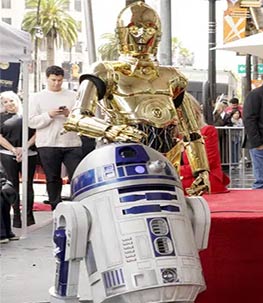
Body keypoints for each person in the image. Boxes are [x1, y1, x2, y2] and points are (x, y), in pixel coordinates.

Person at [63, 1, 211, 196]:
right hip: (124, 154)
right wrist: (112, 130)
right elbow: (76, 118)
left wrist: (201, 170)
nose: (142, 34)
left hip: (168, 159)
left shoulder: (172, 76)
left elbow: (191, 131)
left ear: (157, 33)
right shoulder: (105, 71)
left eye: (149, 28)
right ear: (122, 32)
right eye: (134, 28)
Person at [28, 65, 82, 210]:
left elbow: (82, 117)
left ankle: (79, 205)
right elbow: (31, 121)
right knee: (52, 178)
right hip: (48, 143)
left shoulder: (73, 95)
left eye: (59, 80)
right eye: (53, 80)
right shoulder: (36, 97)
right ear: (47, 79)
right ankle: (55, 207)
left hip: (72, 142)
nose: (56, 83)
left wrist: (68, 114)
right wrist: (49, 115)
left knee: (76, 175)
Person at [0, 91, 38, 227]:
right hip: (8, 154)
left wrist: (25, 147)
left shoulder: (28, 116)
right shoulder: (1, 118)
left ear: (17, 100)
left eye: (11, 100)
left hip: (29, 154)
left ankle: (28, 216)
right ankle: (16, 217)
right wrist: (13, 149)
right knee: (12, 185)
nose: (9, 104)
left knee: (28, 185)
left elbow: (37, 133)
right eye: (6, 102)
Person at [180, 94, 230, 194]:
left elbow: (206, 163)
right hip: (182, 178)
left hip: (202, 180)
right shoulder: (173, 134)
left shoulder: (207, 131)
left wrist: (174, 171)